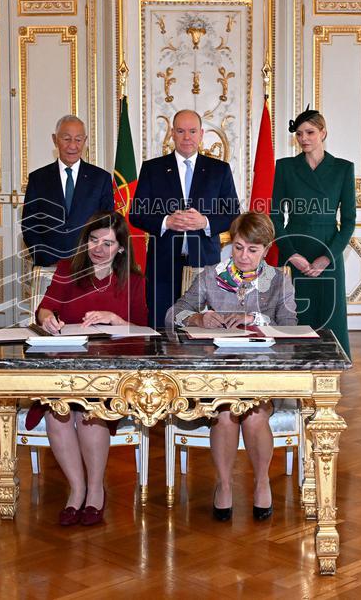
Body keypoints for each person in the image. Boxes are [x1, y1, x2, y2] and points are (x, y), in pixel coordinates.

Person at [167, 212, 297, 521]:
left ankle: (262, 482)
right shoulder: (213, 275)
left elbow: (290, 327)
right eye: (238, 247)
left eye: (253, 249)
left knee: (252, 417)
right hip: (218, 374)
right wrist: (197, 318)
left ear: (266, 249)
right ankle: (224, 485)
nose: (244, 256)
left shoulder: (278, 281)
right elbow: (173, 313)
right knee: (225, 416)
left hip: (262, 373)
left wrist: (257, 320)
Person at [27, 211, 148, 526]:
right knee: (58, 411)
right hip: (65, 364)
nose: (98, 248)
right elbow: (45, 308)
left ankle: (95, 490)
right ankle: (76, 490)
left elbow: (145, 332)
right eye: (94, 240)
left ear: (121, 248)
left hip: (111, 370)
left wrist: (117, 320)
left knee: (88, 411)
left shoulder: (134, 280)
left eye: (108, 243)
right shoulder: (68, 270)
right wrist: (46, 319)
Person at [129, 109, 240, 327]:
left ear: (201, 133)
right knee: (162, 327)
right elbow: (137, 214)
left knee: (205, 328)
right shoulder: (152, 169)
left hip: (205, 264)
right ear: (172, 133)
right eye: (180, 131)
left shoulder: (220, 170)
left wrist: (205, 222)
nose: (186, 137)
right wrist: (165, 222)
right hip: (163, 264)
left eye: (192, 131)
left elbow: (232, 213)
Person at [270, 107, 355, 356]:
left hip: (329, 249)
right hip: (296, 248)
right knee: (296, 309)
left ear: (323, 133)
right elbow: (275, 215)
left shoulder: (343, 168)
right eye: (299, 134)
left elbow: (349, 221)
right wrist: (291, 253)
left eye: (310, 132)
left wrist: (327, 256)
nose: (304, 138)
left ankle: (332, 360)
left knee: (330, 310)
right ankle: (295, 360)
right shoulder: (285, 167)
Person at [21, 115, 114, 267]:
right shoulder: (38, 178)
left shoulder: (101, 178)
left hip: (89, 264)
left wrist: (95, 256)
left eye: (78, 140)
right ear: (55, 139)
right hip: (49, 265)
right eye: (66, 139)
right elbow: (29, 223)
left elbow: (107, 223)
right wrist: (44, 257)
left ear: (84, 141)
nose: (73, 146)